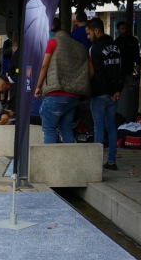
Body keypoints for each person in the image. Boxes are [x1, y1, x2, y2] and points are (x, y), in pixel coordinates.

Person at [34, 28, 90, 143]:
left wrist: (38, 86)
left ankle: (50, 160)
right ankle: (68, 160)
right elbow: (91, 71)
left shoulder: (53, 42)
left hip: (55, 93)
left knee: (49, 129)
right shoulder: (81, 47)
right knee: (67, 129)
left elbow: (44, 65)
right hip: (74, 96)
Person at [87, 18, 123, 169]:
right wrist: (117, 91)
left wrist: (108, 91)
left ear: (97, 31)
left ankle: (95, 163)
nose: (88, 37)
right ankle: (112, 160)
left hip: (100, 93)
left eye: (89, 33)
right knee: (111, 127)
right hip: (114, 94)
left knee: (98, 127)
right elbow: (121, 69)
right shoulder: (117, 46)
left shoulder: (94, 49)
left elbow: (98, 73)